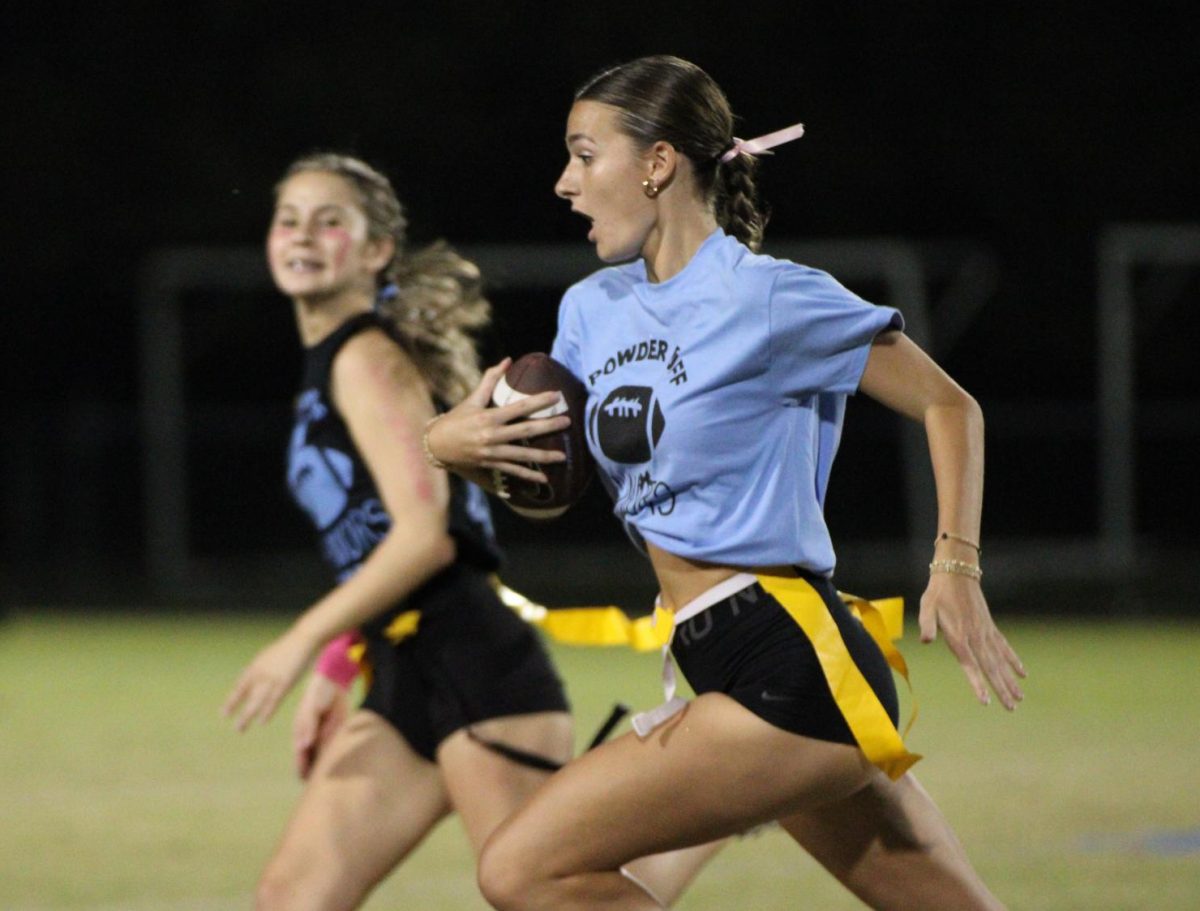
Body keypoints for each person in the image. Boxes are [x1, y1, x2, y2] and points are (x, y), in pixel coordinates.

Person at [422, 55, 1028, 910]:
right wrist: (450, 442)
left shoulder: (768, 298)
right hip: (718, 658)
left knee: (522, 867)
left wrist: (956, 567)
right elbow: (554, 485)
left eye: (585, 155)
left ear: (659, 163)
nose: (564, 182)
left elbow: (949, 405)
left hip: (791, 660)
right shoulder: (591, 311)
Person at [221, 152, 720, 911]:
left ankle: (708, 811)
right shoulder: (338, 357)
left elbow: (426, 539)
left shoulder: (363, 358)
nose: (303, 235)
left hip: (475, 667)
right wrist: (336, 657)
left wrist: (296, 643)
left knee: (547, 891)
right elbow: (375, 532)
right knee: (291, 898)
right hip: (405, 669)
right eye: (289, 219)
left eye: (330, 221)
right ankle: (703, 807)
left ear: (377, 249)